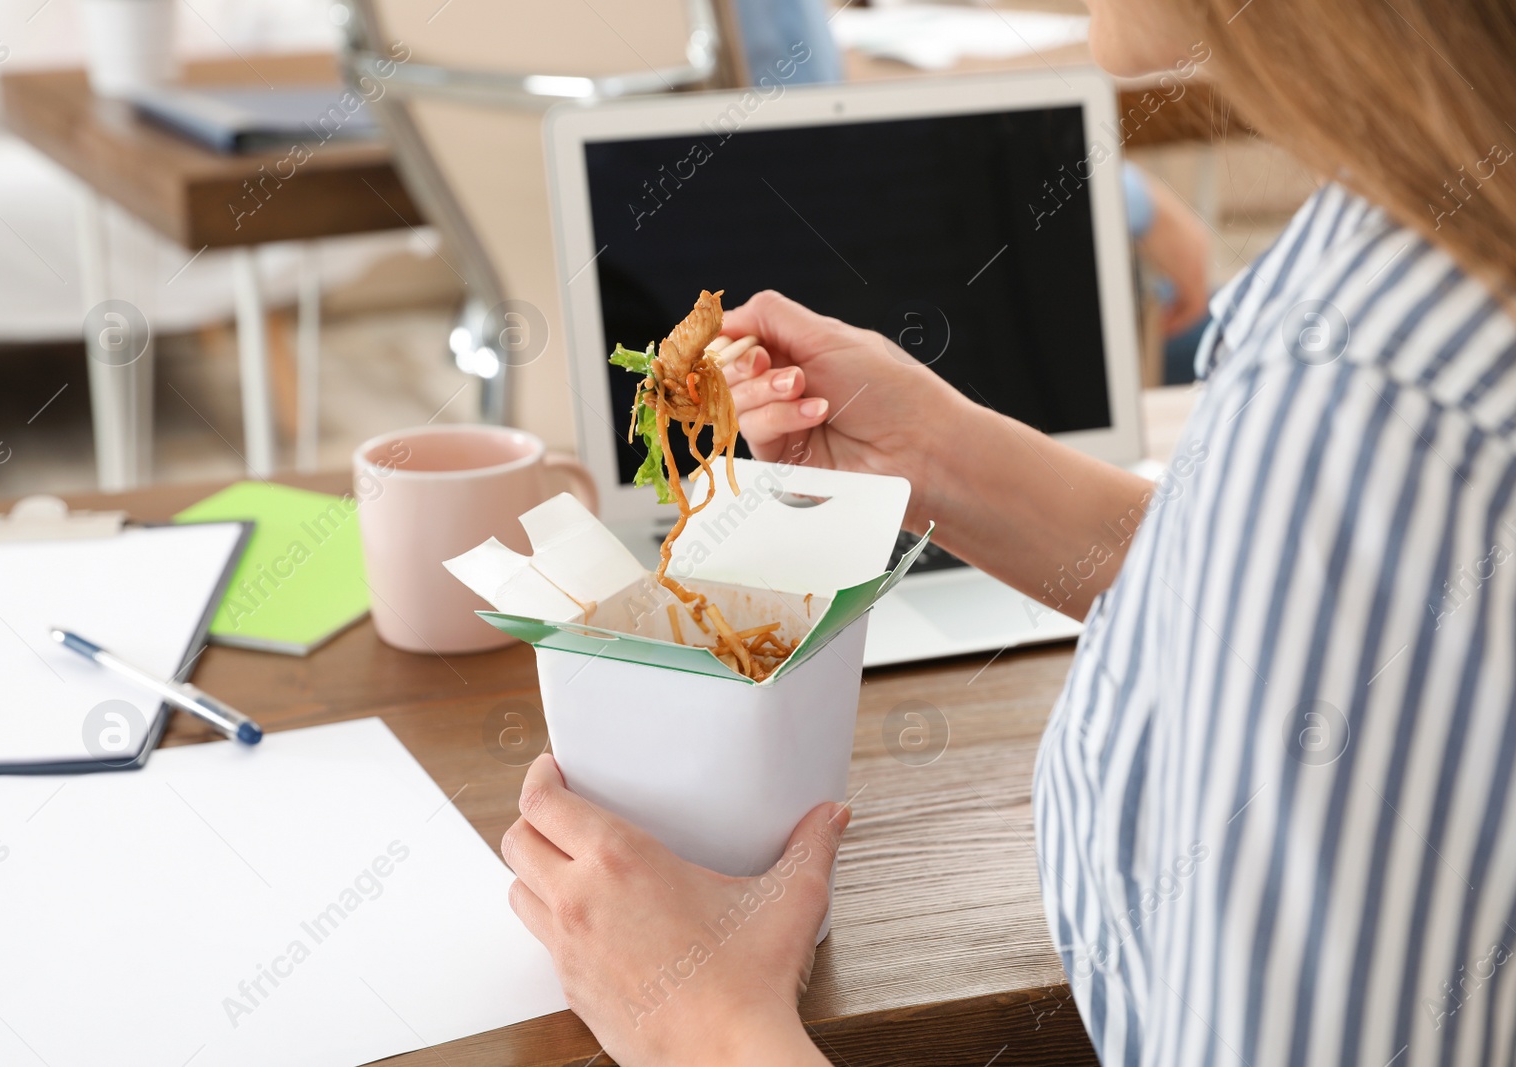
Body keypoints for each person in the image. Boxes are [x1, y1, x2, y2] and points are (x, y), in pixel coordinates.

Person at [498, 0, 1516, 1062]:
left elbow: (1341, 538)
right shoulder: (1408, 257)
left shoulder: (1360, 414)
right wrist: (934, 459)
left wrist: (696, 1020)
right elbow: (1287, 585)